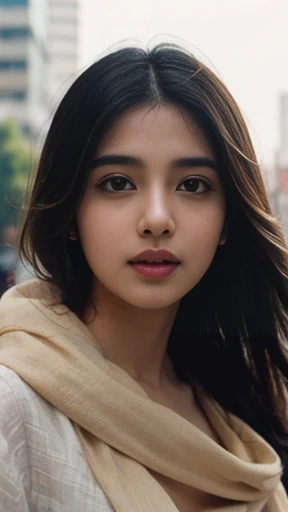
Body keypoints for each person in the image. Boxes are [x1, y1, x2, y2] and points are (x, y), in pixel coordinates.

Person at [0, 42, 287, 512]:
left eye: (193, 185)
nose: (157, 218)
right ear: (71, 211)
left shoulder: (244, 401)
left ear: (227, 221)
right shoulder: (13, 412)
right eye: (117, 182)